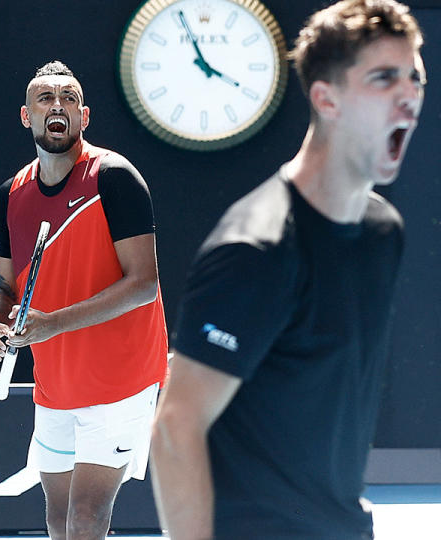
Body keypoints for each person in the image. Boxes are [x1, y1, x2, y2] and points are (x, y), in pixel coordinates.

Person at [150, 1, 425, 539]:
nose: (409, 96)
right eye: (384, 78)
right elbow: (175, 429)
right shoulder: (257, 249)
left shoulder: (382, 233)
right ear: (327, 99)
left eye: (415, 77)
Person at [0, 60, 168, 540]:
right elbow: (4, 286)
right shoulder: (10, 195)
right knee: (58, 521)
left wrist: (52, 324)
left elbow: (144, 283)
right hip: (56, 382)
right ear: (27, 116)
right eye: (45, 98)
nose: (57, 106)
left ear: (84, 116)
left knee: (86, 516)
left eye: (68, 99)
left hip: (122, 378)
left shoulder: (114, 177)